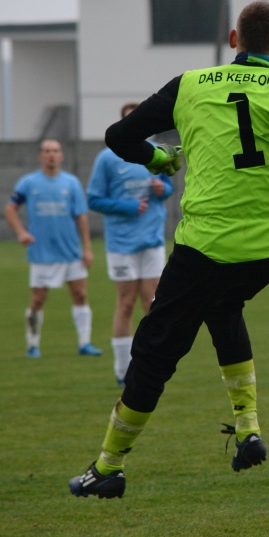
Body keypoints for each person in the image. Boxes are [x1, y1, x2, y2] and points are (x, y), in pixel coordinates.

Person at [68, 0, 269, 499]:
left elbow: (119, 137)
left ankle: (108, 467)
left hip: (205, 246)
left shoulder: (190, 84)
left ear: (233, 40)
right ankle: (248, 430)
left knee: (154, 352)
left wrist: (157, 158)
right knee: (223, 307)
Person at [88, 103, 175, 388]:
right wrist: (127, 207)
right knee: (126, 303)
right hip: (122, 243)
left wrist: (164, 189)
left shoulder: (157, 151)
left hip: (151, 239)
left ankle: (151, 366)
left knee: (152, 303)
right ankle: (122, 369)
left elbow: (169, 184)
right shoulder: (107, 158)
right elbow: (94, 199)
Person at [5, 139, 100, 358]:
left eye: (55, 151)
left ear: (61, 156)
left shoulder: (72, 183)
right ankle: (32, 345)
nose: (51, 155)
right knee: (38, 299)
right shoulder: (28, 183)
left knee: (80, 294)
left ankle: (85, 343)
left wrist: (87, 248)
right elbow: (10, 209)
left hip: (70, 251)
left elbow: (81, 217)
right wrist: (21, 232)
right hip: (42, 253)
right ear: (40, 156)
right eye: (47, 151)